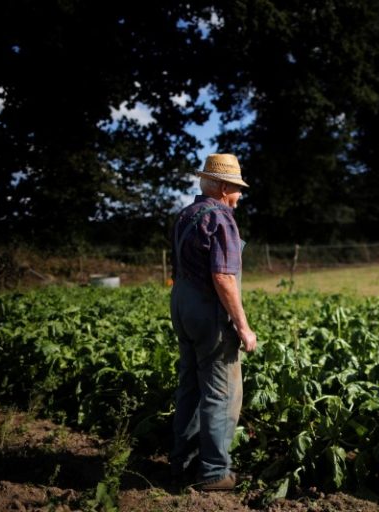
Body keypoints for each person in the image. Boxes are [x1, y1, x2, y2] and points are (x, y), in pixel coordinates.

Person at [169, 153, 257, 491]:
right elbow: (223, 277)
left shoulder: (186, 215)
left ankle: (183, 462)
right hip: (209, 311)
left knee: (191, 386)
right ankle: (214, 473)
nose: (239, 195)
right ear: (222, 188)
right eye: (236, 188)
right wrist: (243, 327)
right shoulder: (222, 218)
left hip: (182, 305)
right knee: (222, 392)